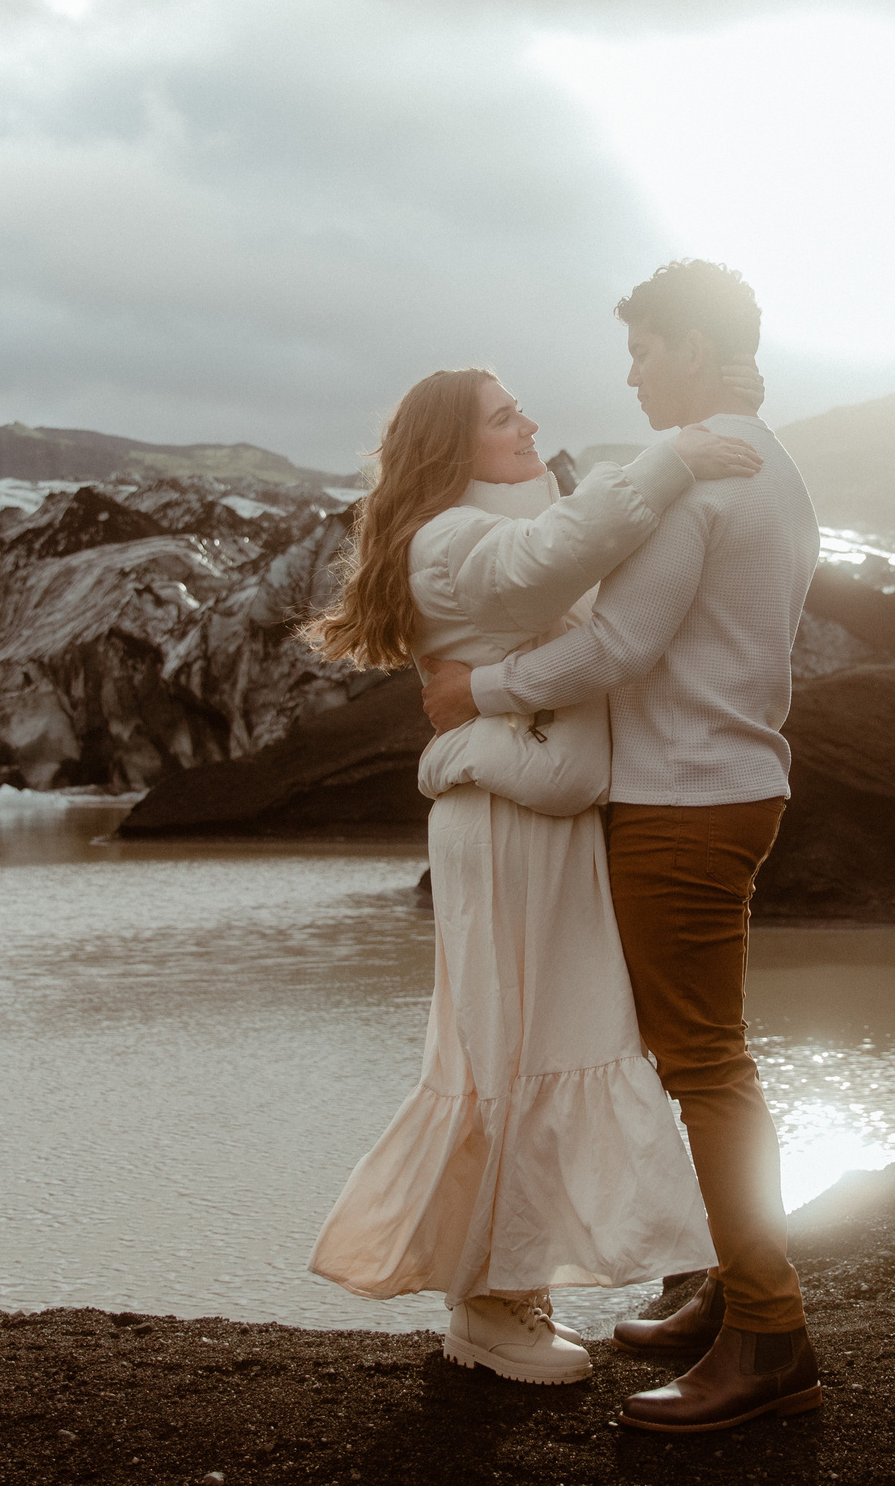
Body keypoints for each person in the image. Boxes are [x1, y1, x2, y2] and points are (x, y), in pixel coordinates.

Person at [421, 259, 824, 1435]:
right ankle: (714, 1287)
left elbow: (614, 649)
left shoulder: (709, 482)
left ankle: (767, 1331)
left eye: (645, 350)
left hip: (683, 807)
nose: (633, 373)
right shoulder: (774, 465)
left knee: (703, 1064)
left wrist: (474, 693)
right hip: (725, 789)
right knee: (689, 1056)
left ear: (693, 346)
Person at [301, 364, 765, 1386]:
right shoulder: (450, 541)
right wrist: (671, 457)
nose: (528, 425)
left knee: (544, 1040)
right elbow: (551, 560)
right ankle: (489, 1305)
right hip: (505, 828)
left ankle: (509, 1290)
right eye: (503, 417)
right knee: (512, 1048)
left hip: (528, 820)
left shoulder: (479, 529)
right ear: (450, 446)